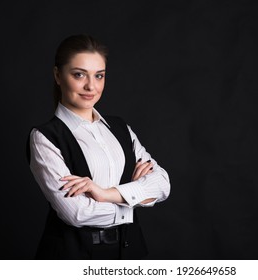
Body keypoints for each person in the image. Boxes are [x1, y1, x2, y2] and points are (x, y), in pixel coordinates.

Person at [26, 34, 171, 260]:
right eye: (79, 74)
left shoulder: (121, 127)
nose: (91, 86)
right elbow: (77, 213)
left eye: (99, 76)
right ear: (58, 75)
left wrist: (104, 194)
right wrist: (136, 197)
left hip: (131, 253)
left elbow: (162, 184)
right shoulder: (45, 138)